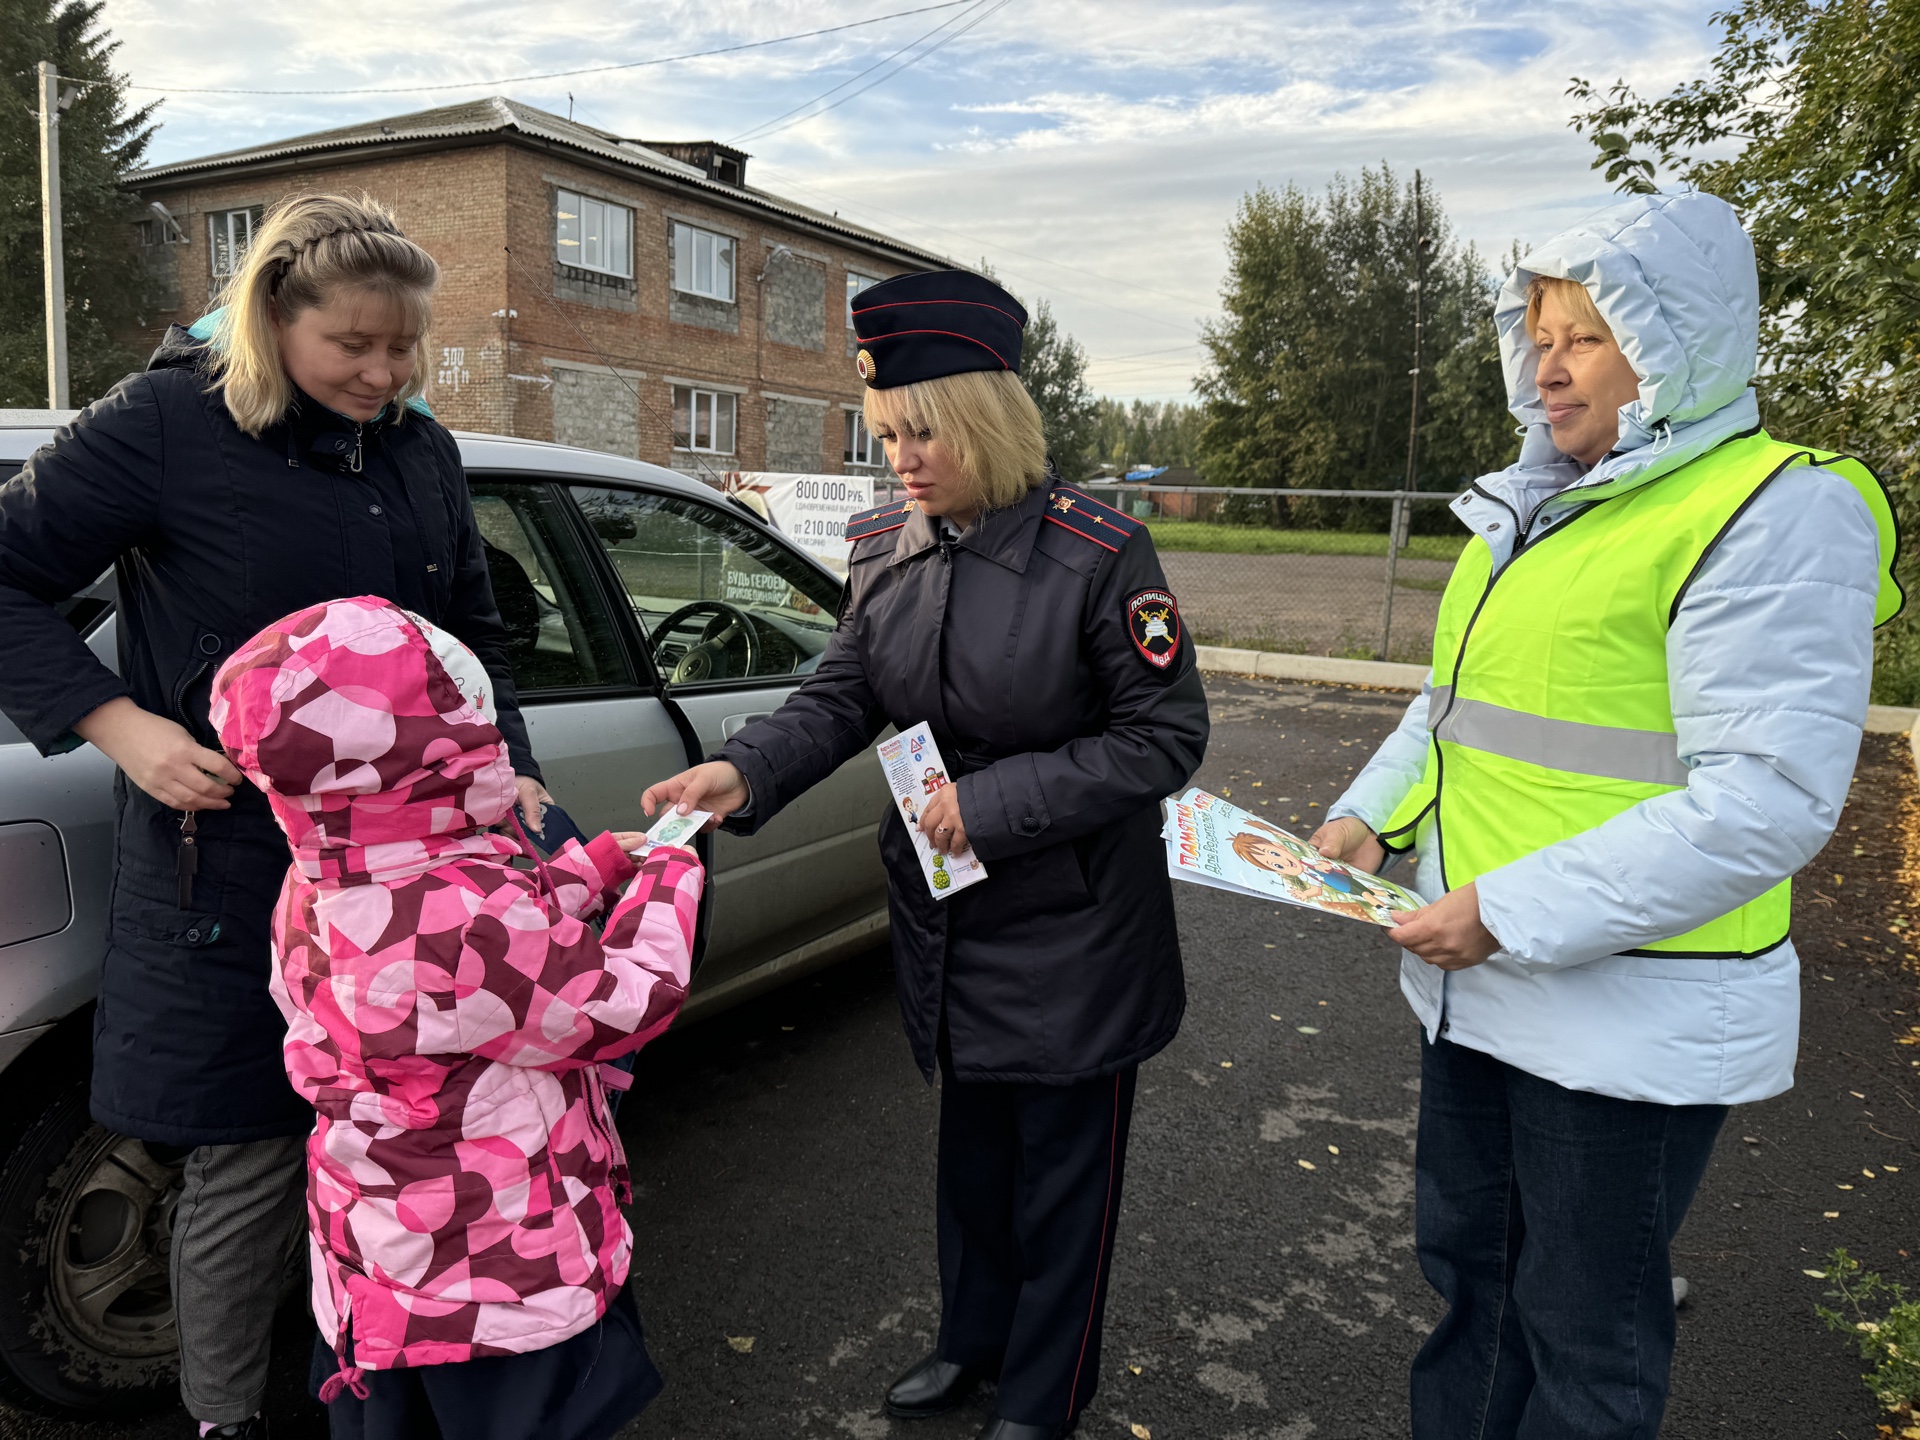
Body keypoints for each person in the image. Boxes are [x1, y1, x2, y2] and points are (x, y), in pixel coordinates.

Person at [1311, 191, 1899, 1438]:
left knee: (1585, 1343)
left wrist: (1507, 913)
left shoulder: (1769, 508)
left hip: (1626, 1018)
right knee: (1472, 1295)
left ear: (1675, 341)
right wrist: (1369, 816)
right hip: (1478, 990)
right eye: (1535, 329)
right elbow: (1451, 711)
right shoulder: (1528, 510)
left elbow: (1768, 801)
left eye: (1586, 331)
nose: (1546, 359)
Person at [0, 193, 551, 1436]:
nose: (383, 371)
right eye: (353, 345)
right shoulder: (167, 426)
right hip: (230, 868)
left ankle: (356, 1390)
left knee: (391, 1145)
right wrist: (121, 727)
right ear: (270, 318)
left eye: (404, 346)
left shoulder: (418, 450)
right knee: (244, 1154)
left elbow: (476, 634)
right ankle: (225, 1420)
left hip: (405, 875)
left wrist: (502, 762)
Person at [642, 269, 1209, 1440]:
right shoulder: (885, 544)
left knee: (1064, 1185)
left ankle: (1044, 1399)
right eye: (886, 432)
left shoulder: (1100, 555)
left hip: (1073, 925)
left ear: (991, 420)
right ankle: (971, 1345)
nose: (899, 456)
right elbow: (846, 692)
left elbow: (1165, 736)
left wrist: (998, 802)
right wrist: (746, 769)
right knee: (973, 1162)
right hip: (953, 915)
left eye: (923, 432)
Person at [207, 596, 696, 1440]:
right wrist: (669, 876)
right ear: (434, 750)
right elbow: (622, 1001)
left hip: (382, 1260)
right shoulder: (460, 911)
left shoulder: (331, 877)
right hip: (498, 1277)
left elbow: (495, 959)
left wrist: (598, 866)